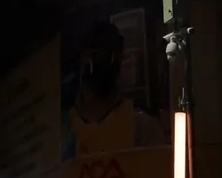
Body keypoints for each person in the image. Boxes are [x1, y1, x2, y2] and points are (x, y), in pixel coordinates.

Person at [62, 21, 167, 161]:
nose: (101, 61)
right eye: (95, 54)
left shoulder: (142, 126)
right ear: (82, 58)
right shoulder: (62, 130)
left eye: (109, 55)